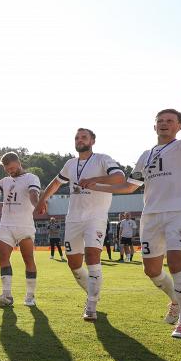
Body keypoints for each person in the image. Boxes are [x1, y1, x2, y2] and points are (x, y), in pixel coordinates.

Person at [80, 80, 181, 339]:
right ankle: (175, 299)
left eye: (170, 120)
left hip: (179, 214)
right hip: (150, 216)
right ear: (154, 125)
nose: (164, 123)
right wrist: (97, 185)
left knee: (177, 266)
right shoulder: (145, 155)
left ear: (179, 126)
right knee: (151, 270)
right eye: (160, 120)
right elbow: (130, 187)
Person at [36, 129, 125, 319]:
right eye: (77, 137)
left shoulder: (102, 159)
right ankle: (93, 292)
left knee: (92, 256)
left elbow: (119, 178)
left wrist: (94, 180)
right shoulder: (70, 164)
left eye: (84, 137)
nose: (79, 140)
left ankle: (91, 304)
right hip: (73, 218)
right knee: (74, 264)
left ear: (93, 140)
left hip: (96, 217)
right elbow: (55, 183)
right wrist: (43, 199)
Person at [0, 152, 41, 307]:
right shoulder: (5, 181)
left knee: (28, 259)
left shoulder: (31, 178)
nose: (11, 171)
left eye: (13, 168)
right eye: (8, 169)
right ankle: (6, 296)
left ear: (19, 162)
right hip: (6, 225)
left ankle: (30, 296)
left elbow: (33, 193)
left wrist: (38, 204)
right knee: (3, 258)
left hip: (24, 226)